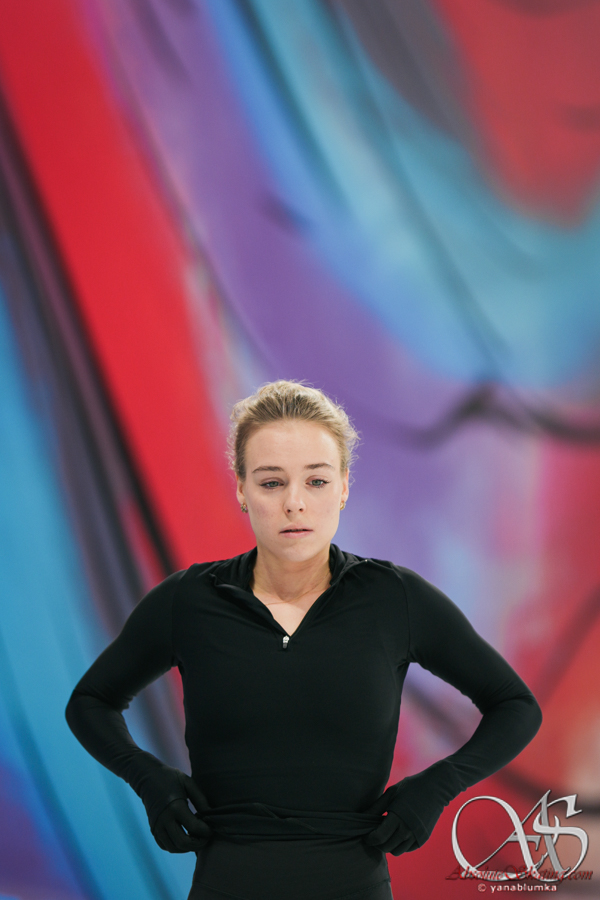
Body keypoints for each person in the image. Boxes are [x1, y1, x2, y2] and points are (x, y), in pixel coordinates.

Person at [65, 380, 542, 900]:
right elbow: (91, 701)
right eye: (271, 482)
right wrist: (147, 778)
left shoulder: (396, 598)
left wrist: (438, 786)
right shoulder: (189, 600)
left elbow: (515, 706)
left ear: (343, 487)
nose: (295, 503)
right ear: (242, 490)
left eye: (316, 481)